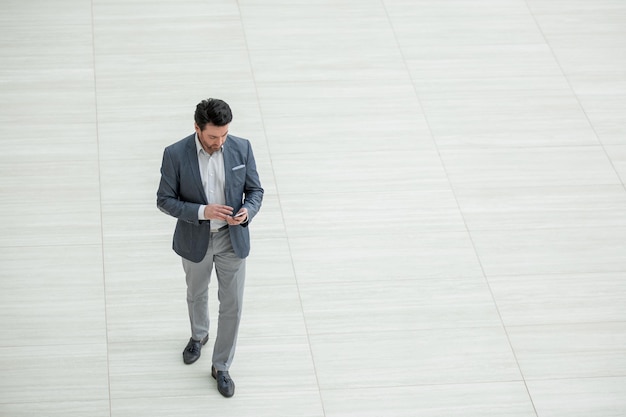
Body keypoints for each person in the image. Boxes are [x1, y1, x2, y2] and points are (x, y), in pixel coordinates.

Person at [156, 98, 263, 397]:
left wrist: (247, 212)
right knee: (196, 292)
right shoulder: (175, 154)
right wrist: (204, 211)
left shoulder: (242, 148)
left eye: (224, 135)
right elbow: (164, 200)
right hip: (195, 239)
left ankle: (222, 366)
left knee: (233, 304)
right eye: (213, 136)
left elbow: (255, 190)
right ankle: (198, 336)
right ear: (197, 128)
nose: (220, 142)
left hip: (232, 239)